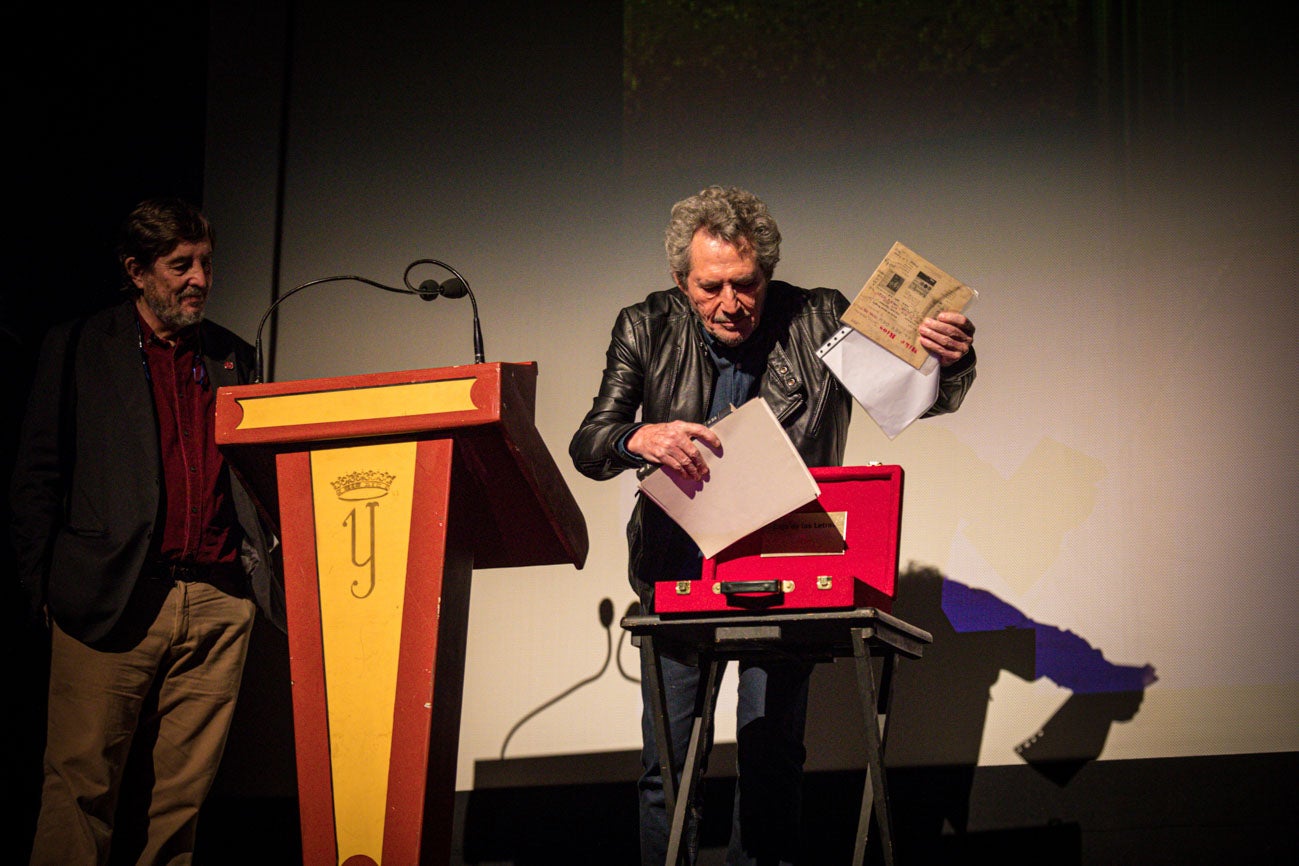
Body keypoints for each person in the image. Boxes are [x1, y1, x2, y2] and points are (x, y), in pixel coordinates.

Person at [569, 185, 976, 865]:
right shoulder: (644, 325)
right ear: (679, 281)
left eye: (746, 283)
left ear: (768, 271)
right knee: (665, 775)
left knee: (772, 758)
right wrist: (639, 438)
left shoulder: (818, 317)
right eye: (710, 288)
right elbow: (591, 440)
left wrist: (947, 359)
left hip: (782, 570)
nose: (731, 303)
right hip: (678, 573)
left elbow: (913, 397)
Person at [10, 197, 286, 865]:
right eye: (180, 265)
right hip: (111, 595)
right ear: (137, 271)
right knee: (82, 787)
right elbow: (39, 472)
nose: (199, 279)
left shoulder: (232, 356)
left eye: (206, 265)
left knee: (181, 803)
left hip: (219, 600)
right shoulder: (79, 345)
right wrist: (41, 587)